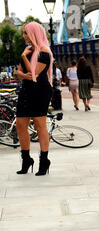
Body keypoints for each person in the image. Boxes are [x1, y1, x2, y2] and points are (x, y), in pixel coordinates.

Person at [15, 22, 53, 176]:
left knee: (39, 124)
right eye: (23, 33)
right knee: (20, 124)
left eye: (26, 33)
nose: (24, 36)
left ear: (34, 33)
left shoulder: (44, 52)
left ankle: (44, 161)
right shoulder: (28, 50)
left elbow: (34, 74)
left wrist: (24, 56)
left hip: (40, 91)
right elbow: (19, 72)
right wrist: (23, 75)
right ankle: (26, 159)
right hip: (26, 90)